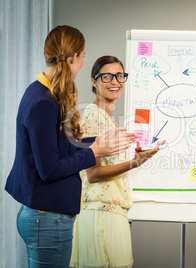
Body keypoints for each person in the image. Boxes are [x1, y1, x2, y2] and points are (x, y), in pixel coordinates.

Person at [4, 26, 136, 268]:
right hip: (47, 219)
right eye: (83, 55)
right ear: (74, 57)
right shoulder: (43, 102)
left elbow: (55, 148)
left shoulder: (42, 92)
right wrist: (94, 152)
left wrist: (95, 143)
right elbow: (50, 170)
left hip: (45, 218)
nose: (84, 61)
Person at [70, 55, 165, 268]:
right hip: (101, 214)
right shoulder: (94, 117)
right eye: (107, 76)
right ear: (94, 81)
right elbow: (93, 175)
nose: (115, 82)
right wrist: (134, 162)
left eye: (120, 75)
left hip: (110, 212)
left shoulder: (107, 119)